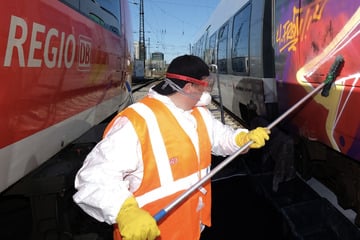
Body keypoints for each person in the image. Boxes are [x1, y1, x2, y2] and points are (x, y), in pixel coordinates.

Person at [73, 55, 270, 240]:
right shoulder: (138, 121)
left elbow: (220, 138)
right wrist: (124, 211)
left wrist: (243, 138)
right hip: (149, 231)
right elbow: (93, 177)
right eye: (205, 84)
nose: (208, 91)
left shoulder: (199, 114)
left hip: (191, 225)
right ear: (190, 87)